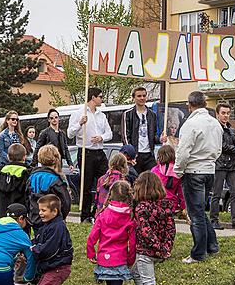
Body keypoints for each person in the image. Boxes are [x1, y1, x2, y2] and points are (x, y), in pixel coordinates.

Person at [175, 91, 222, 264]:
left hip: (193, 170)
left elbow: (184, 151)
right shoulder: (215, 123)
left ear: (189, 105)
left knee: (195, 214)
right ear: (204, 103)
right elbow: (218, 149)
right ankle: (212, 245)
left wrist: (178, 170)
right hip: (209, 169)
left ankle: (198, 253)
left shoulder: (190, 123)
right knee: (201, 211)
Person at [87, 180, 136, 285]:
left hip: (104, 257)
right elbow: (133, 242)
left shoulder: (104, 213)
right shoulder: (130, 215)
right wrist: (130, 259)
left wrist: (91, 252)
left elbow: (92, 236)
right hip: (119, 257)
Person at [130, 171, 177, 285]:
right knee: (135, 272)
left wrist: (158, 248)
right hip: (160, 249)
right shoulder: (166, 205)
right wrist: (166, 247)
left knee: (148, 283)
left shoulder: (141, 208)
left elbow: (145, 231)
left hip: (146, 250)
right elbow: (171, 228)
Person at [28, 194, 74, 285]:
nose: (40, 213)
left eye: (44, 210)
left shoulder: (57, 227)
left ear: (54, 212)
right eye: (39, 210)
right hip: (51, 267)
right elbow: (39, 240)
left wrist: (35, 249)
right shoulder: (47, 225)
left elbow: (50, 249)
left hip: (58, 268)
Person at [68, 87, 112, 222]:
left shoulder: (101, 115)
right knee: (86, 186)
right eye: (100, 96)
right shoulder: (78, 113)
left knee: (105, 182)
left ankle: (97, 212)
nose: (102, 99)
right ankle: (85, 215)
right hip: (86, 152)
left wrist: (101, 137)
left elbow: (109, 133)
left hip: (100, 152)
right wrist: (80, 124)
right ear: (93, 97)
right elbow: (70, 133)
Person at [210, 102, 235, 230]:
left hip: (232, 165)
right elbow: (221, 147)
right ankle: (214, 220)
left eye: (228, 113)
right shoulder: (216, 129)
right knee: (216, 194)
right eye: (223, 113)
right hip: (220, 164)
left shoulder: (231, 130)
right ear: (217, 114)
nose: (226, 116)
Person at [27, 144, 72, 230]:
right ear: (56, 159)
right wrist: (61, 216)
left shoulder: (32, 177)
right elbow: (65, 201)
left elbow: (27, 198)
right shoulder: (56, 179)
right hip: (53, 219)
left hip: (35, 217)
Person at [121, 86, 159, 173]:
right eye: (139, 96)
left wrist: (160, 138)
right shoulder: (127, 114)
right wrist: (130, 155)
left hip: (149, 154)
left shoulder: (152, 114)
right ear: (133, 98)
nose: (142, 98)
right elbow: (125, 137)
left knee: (151, 180)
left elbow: (154, 135)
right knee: (136, 181)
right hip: (135, 154)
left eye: (144, 95)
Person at [0, 143, 30, 218]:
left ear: (8, 157)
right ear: (24, 157)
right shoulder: (27, 173)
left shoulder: (0, 172)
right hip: (21, 216)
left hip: (3, 213)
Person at [153, 144, 186, 218]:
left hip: (157, 202)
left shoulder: (155, 170)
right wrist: (183, 206)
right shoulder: (177, 172)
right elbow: (181, 192)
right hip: (171, 204)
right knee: (169, 224)